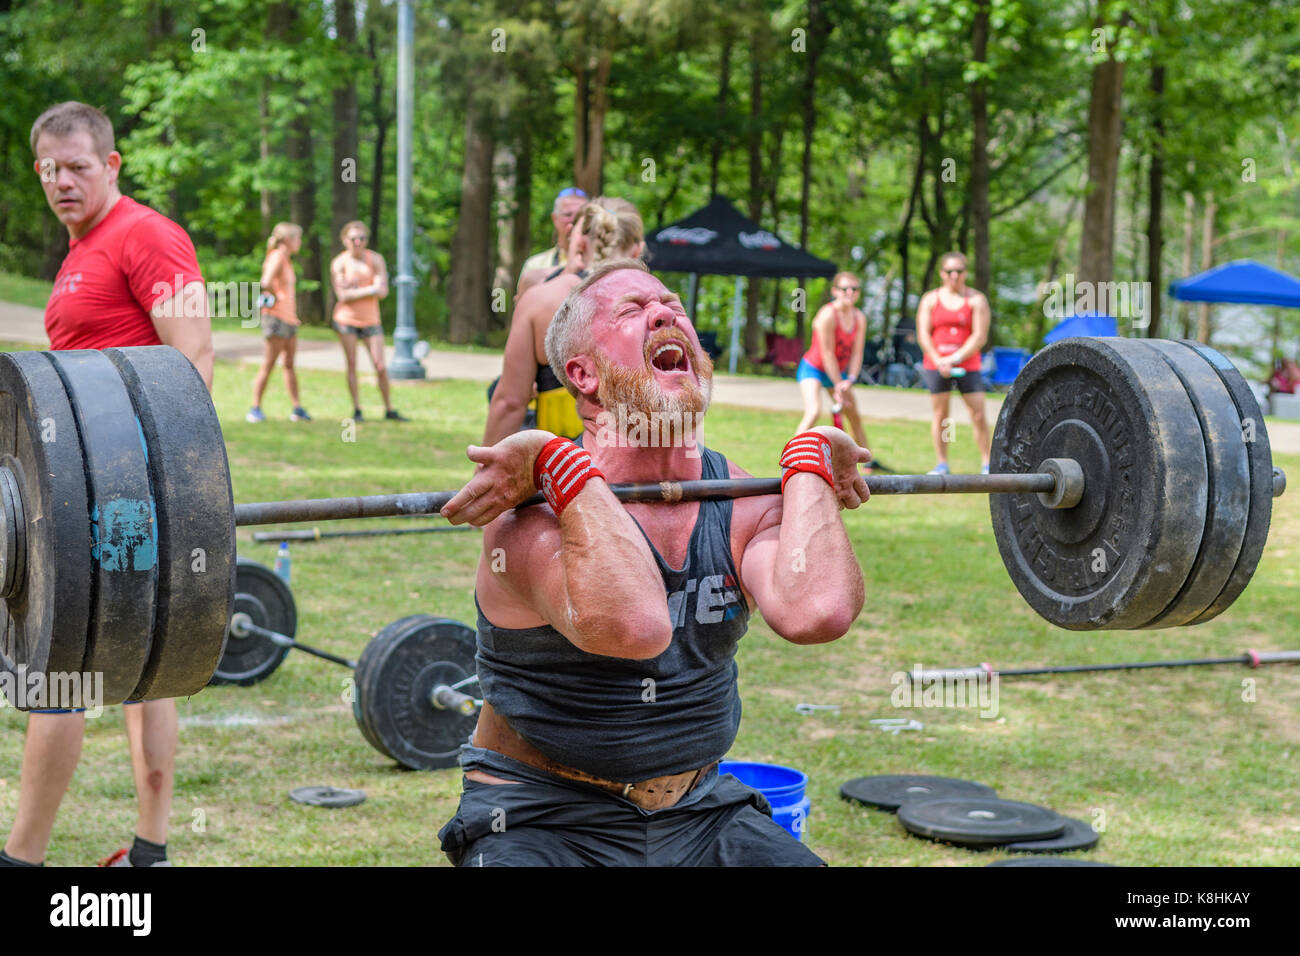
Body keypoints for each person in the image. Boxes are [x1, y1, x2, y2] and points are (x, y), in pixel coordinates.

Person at [437, 259, 869, 866]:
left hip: (700, 809)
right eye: (632, 311)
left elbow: (818, 612)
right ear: (583, 375)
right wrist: (560, 465)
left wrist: (811, 459)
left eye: (673, 306)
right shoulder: (528, 522)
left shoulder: (739, 500)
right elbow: (633, 628)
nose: (666, 313)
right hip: (541, 813)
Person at [1, 101, 215, 868]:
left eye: (79, 168)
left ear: (112, 165)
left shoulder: (148, 235)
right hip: (83, 489)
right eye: (51, 170)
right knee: (143, 663)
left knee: (60, 662)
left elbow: (193, 361)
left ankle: (21, 859)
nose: (63, 181)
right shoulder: (80, 248)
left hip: (126, 492)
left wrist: (166, 491)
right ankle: (151, 851)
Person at [483, 197, 645, 446]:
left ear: (579, 242)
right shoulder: (662, 304)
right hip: (639, 468)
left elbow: (510, 403)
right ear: (637, 250)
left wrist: (486, 472)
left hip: (561, 469)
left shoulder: (540, 299)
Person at [915, 251, 992, 475]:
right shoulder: (930, 299)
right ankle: (942, 463)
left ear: (965, 273)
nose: (954, 275)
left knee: (977, 413)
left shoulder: (976, 299)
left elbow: (979, 337)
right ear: (942, 273)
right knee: (941, 415)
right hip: (937, 365)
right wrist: (939, 360)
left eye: (959, 271)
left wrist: (954, 358)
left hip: (967, 365)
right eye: (950, 271)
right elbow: (923, 334)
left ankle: (987, 463)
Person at [329, 220, 406, 421]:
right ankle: (357, 409)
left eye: (362, 238)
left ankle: (389, 408)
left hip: (372, 320)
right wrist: (369, 288)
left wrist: (357, 289)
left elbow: (382, 291)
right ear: (345, 240)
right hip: (346, 320)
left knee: (380, 365)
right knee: (352, 364)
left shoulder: (376, 259)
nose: (358, 242)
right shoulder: (339, 262)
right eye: (353, 238)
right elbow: (343, 296)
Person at [795, 271, 872, 469]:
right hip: (814, 369)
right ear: (835, 291)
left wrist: (850, 379)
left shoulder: (859, 318)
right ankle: (790, 456)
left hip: (839, 373)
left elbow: (857, 353)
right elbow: (827, 353)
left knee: (853, 413)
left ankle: (866, 460)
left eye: (855, 289)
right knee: (813, 411)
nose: (850, 292)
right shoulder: (827, 315)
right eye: (845, 288)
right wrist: (839, 384)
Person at [247, 222, 311, 423]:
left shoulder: (286, 259)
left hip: (289, 318)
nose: (299, 242)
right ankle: (255, 408)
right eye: (297, 238)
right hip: (276, 318)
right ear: (287, 239)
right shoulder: (277, 256)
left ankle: (297, 408)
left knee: (290, 364)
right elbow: (265, 282)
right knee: (269, 363)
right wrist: (277, 299)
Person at [515, 187, 588, 295]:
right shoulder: (536, 265)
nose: (574, 220)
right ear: (555, 218)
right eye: (568, 215)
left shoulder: (599, 262)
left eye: (580, 216)